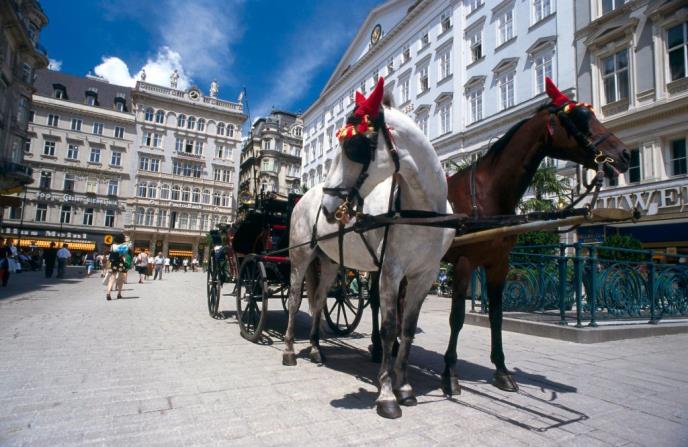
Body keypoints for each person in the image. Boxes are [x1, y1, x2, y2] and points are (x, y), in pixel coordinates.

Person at [106, 234, 132, 300]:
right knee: (121, 279)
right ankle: (119, 294)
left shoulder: (112, 246)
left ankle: (108, 293)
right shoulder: (125, 246)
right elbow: (125, 255)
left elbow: (111, 253)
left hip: (113, 263)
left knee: (112, 278)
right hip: (120, 263)